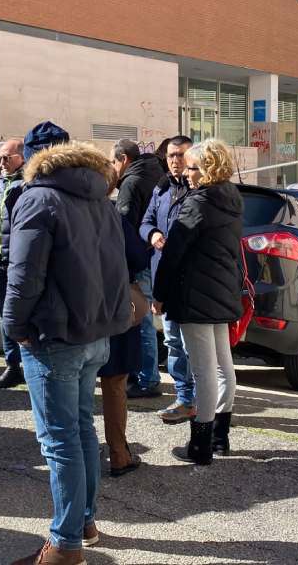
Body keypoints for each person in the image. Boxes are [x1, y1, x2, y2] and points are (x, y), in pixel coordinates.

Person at [5, 142, 130, 565]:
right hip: (94, 333)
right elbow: (118, 267)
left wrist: (13, 327)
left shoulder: (39, 199)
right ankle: (83, 523)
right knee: (79, 431)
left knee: (61, 441)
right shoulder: (103, 202)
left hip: (55, 337)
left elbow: (23, 274)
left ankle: (65, 545)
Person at [153, 139, 243, 465]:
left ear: (206, 169)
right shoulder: (231, 199)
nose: (186, 173)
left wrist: (159, 294)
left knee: (205, 372)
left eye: (192, 167)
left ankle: (200, 447)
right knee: (223, 368)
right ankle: (220, 438)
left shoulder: (197, 203)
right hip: (221, 293)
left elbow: (173, 254)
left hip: (196, 296)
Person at [0, 123, 71, 390]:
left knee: (20, 311)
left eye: (5, 158)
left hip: (19, 260)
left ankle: (26, 363)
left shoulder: (31, 187)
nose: (0, 163)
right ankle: (12, 365)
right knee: (3, 312)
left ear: (23, 157)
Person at [99, 169, 151, 479]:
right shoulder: (112, 216)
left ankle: (77, 454)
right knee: (115, 382)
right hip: (115, 303)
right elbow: (138, 259)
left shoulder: (60, 210)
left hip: (75, 309)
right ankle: (118, 453)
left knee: (75, 384)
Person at [139, 135, 195, 420]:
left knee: (192, 346)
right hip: (164, 278)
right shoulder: (161, 189)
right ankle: (185, 398)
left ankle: (200, 400)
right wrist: (153, 233)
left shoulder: (199, 191)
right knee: (173, 342)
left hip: (192, 283)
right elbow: (145, 221)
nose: (175, 161)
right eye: (172, 156)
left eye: (181, 155)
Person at [112, 139, 165, 401]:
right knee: (147, 321)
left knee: (142, 321)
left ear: (123, 159)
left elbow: (125, 225)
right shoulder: (155, 172)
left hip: (140, 259)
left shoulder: (132, 182)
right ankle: (145, 376)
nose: (113, 168)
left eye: (114, 162)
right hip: (153, 255)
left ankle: (148, 380)